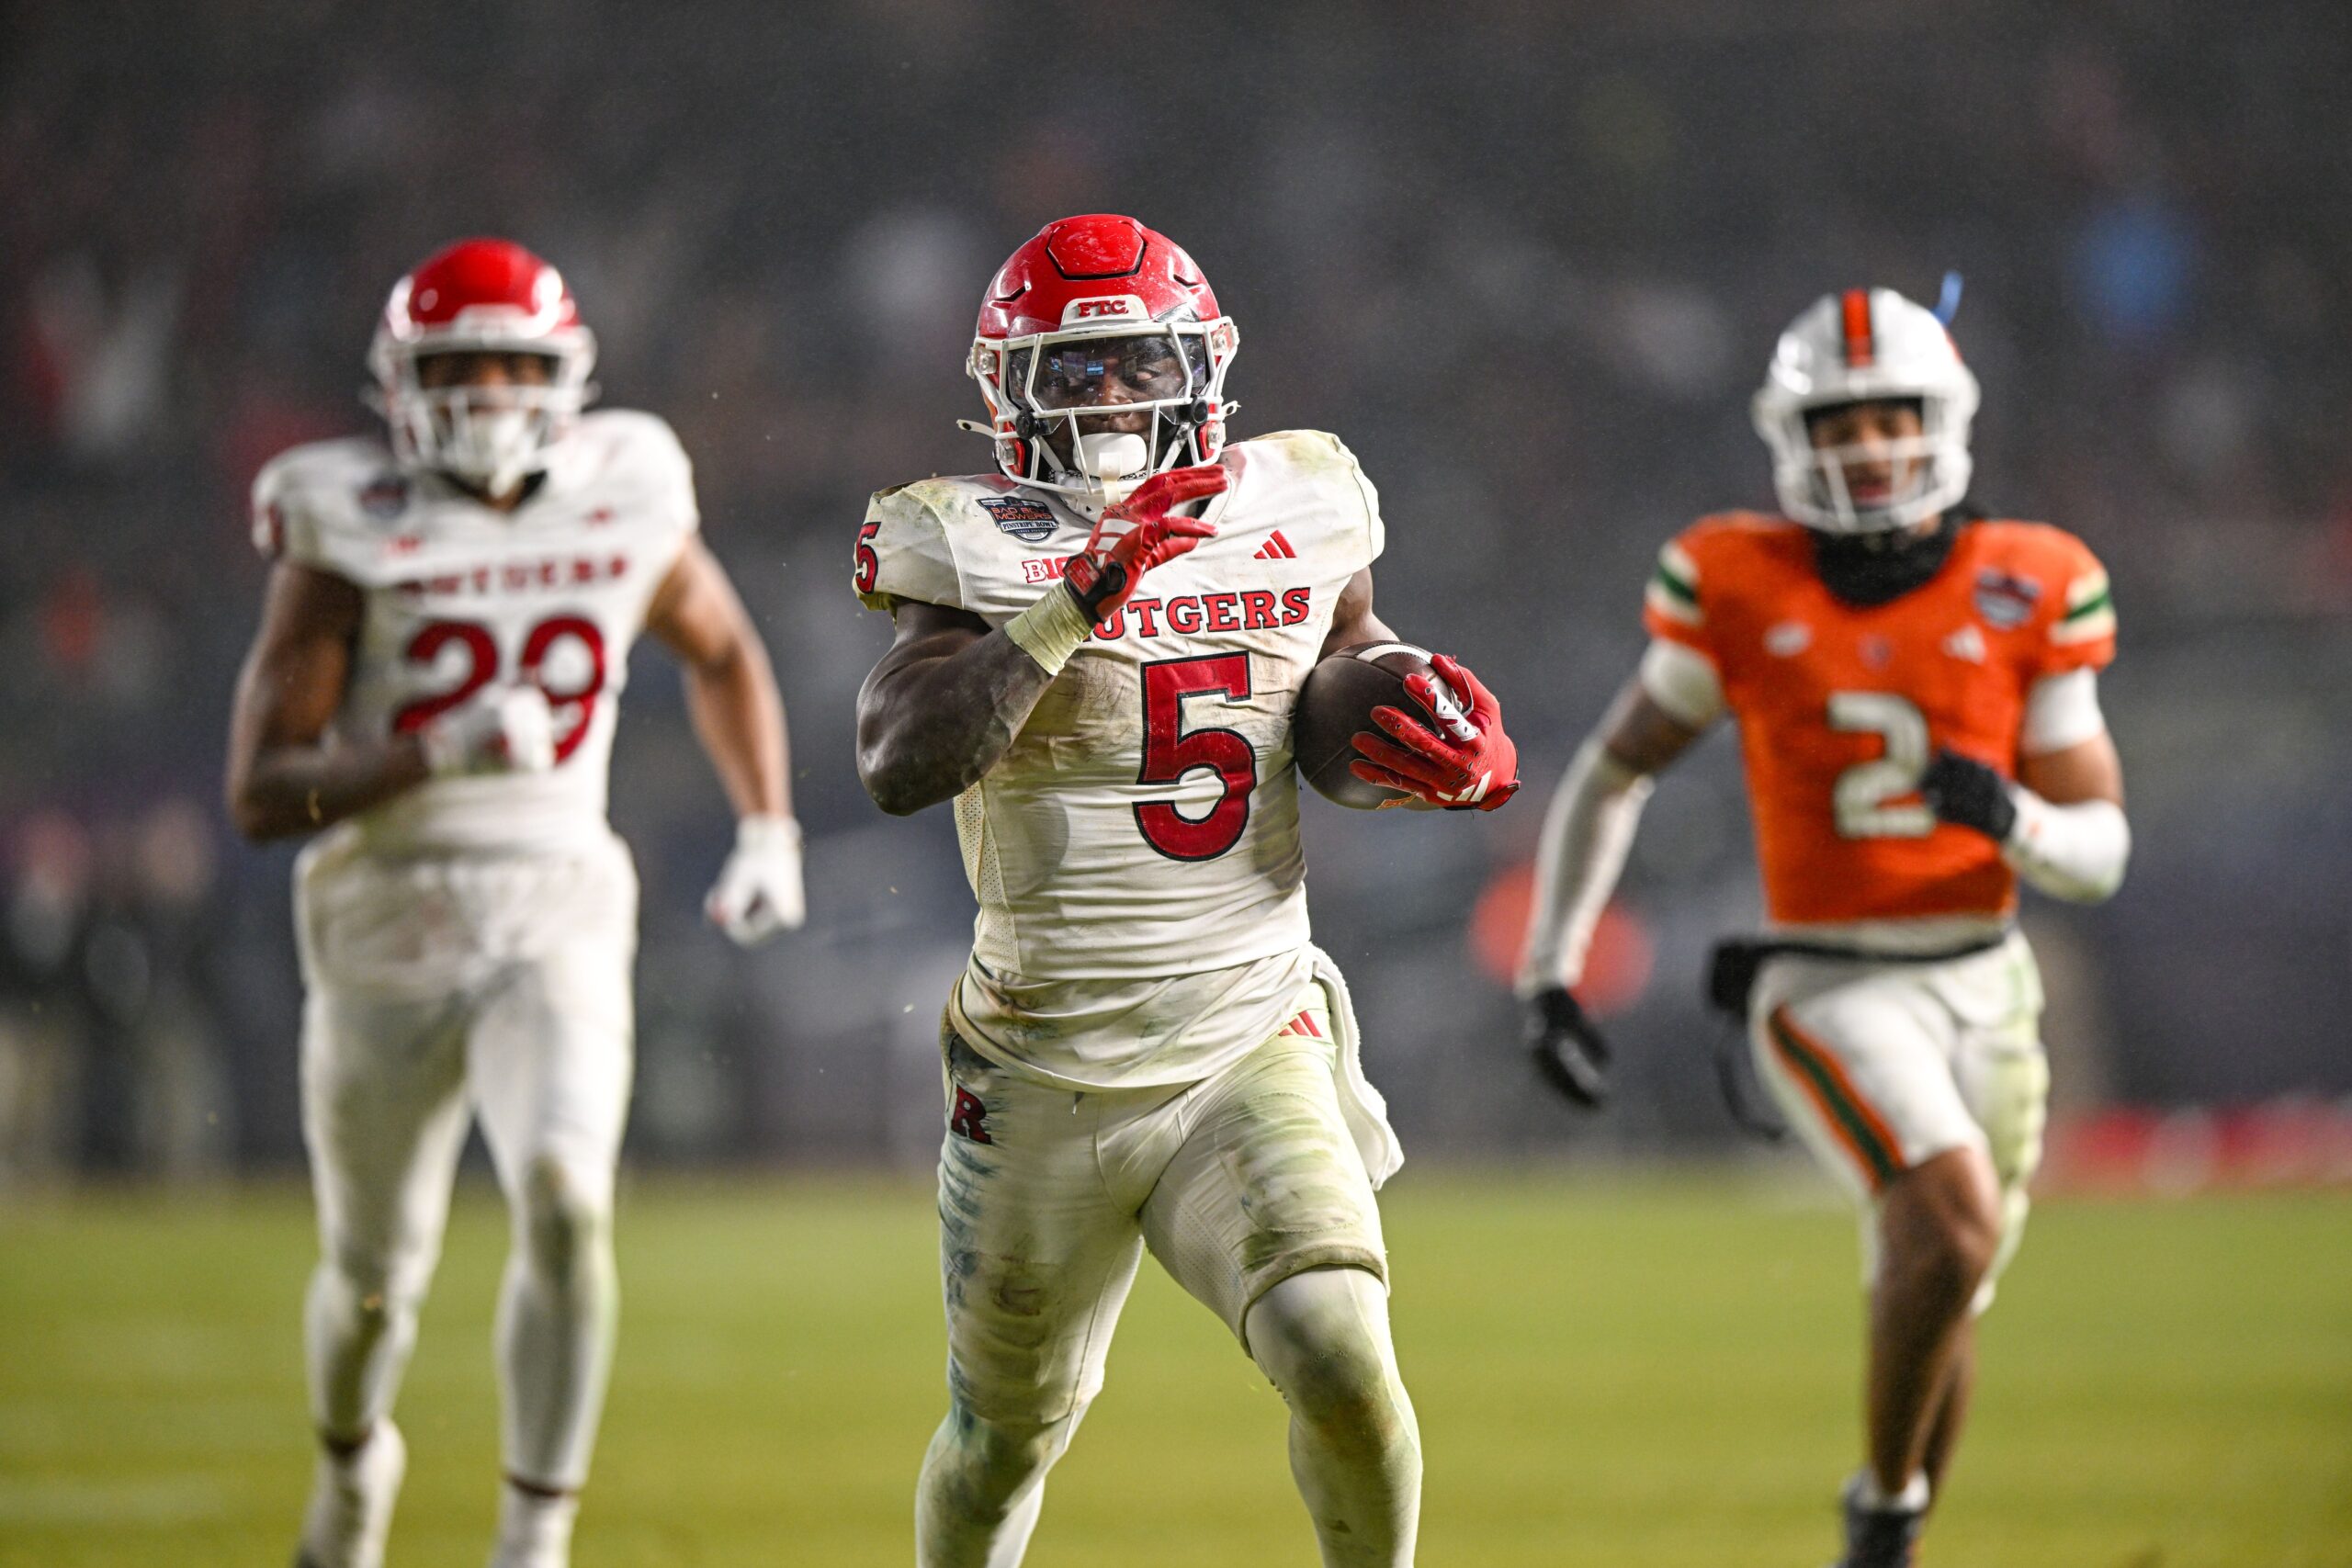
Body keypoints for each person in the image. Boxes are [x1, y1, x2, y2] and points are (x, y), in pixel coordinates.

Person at [854, 213, 1521, 1567]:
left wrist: (1423, 727)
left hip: (1243, 1032)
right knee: (1000, 1445)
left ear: (1202, 371)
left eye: (1138, 364)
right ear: (1010, 396)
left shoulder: (1299, 497)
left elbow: (1335, 684)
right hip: (1042, 1065)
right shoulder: (969, 540)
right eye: (1078, 372)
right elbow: (899, 758)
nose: (1113, 401)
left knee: (1341, 1353)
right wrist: (1076, 601)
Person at [1516, 288, 2129, 1568]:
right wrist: (1552, 967)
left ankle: (1891, 1526)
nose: (1865, 449)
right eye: (1839, 424)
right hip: (1823, 979)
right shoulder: (1736, 580)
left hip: (1988, 979)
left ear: (1943, 423)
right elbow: (1613, 768)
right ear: (1793, 435)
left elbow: (2099, 853)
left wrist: (2010, 816)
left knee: (1943, 1281)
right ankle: (1882, 1525)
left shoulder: (2034, 579)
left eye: (1889, 419)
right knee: (1950, 1222)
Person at [225, 238, 806, 1568]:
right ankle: (352, 1468)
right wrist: (433, 753)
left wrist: (767, 824)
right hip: (384, 915)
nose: (486, 394)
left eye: (512, 366)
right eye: (456, 368)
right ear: (398, 385)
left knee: (564, 1195)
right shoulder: (342, 524)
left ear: (567, 380)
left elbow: (722, 649)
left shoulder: (625, 488)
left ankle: (532, 1545)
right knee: (376, 1284)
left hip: (555, 900)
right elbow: (260, 792)